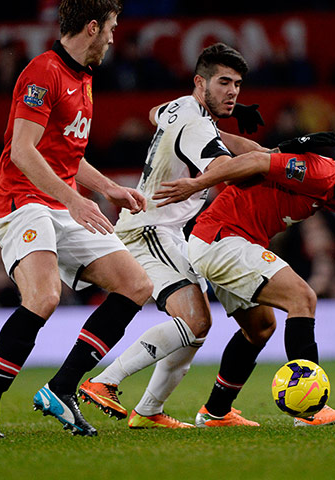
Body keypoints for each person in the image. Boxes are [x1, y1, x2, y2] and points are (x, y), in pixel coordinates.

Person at [0, 0, 154, 439]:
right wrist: (74, 200)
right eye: (111, 28)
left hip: (58, 202)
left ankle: (62, 388)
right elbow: (23, 152)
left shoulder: (84, 79)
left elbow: (68, 154)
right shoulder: (41, 72)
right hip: (21, 201)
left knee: (136, 284)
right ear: (92, 27)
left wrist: (107, 189)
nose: (113, 37)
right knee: (45, 296)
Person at [76, 42, 267, 429]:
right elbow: (225, 168)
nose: (233, 92)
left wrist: (233, 135)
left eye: (238, 85)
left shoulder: (181, 105)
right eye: (224, 83)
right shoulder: (196, 124)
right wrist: (274, 160)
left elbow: (154, 112)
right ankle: (103, 381)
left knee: (198, 326)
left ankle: (148, 411)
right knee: (194, 319)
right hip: (150, 229)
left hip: (165, 230)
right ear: (201, 82)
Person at [154, 142, 335, 427]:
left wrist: (219, 132)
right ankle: (310, 409)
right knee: (302, 298)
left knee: (260, 328)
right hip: (224, 239)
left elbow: (267, 153)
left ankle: (215, 412)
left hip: (217, 240)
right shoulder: (322, 172)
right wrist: (196, 184)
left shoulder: (328, 186)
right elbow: (259, 160)